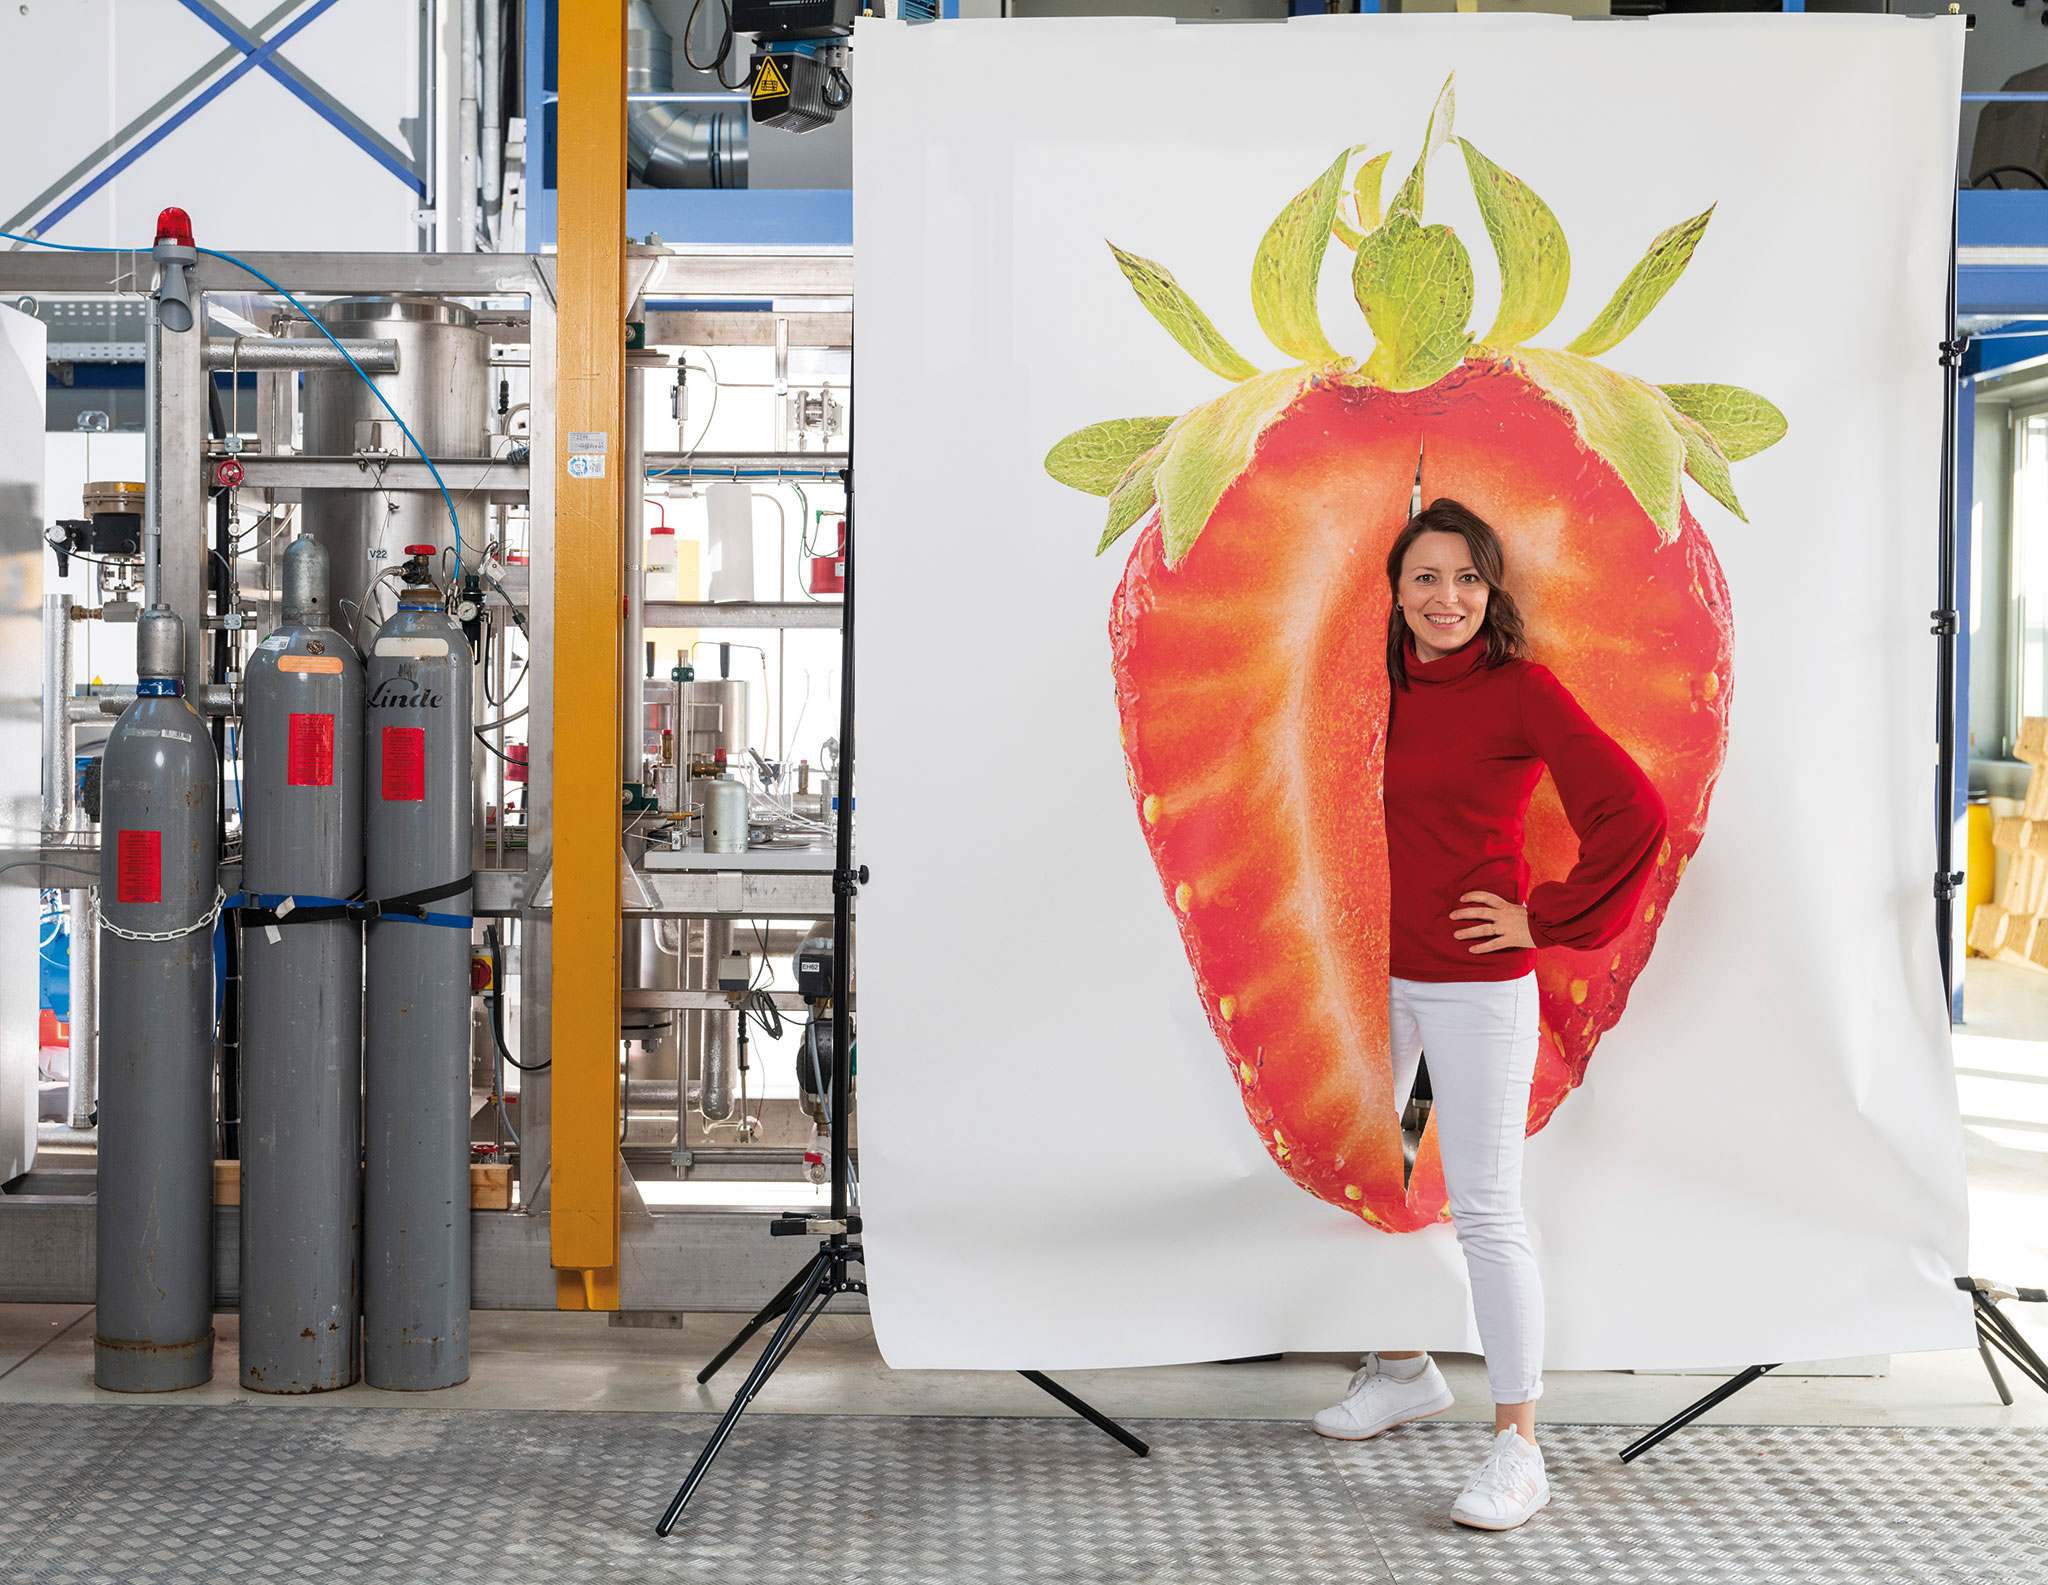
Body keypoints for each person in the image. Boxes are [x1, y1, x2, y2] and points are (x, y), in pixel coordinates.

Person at [1311, 499, 1668, 1532]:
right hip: (1364, 976)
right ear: (1393, 591)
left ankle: (1517, 1443)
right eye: (1424, 577)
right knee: (1365, 1183)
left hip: (1477, 981)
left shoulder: (1521, 692)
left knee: (1484, 1207)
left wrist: (1541, 914)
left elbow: (1631, 812)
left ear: (1491, 590)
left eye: (1466, 578)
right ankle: (1401, 1365)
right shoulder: (1366, 692)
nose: (1446, 599)